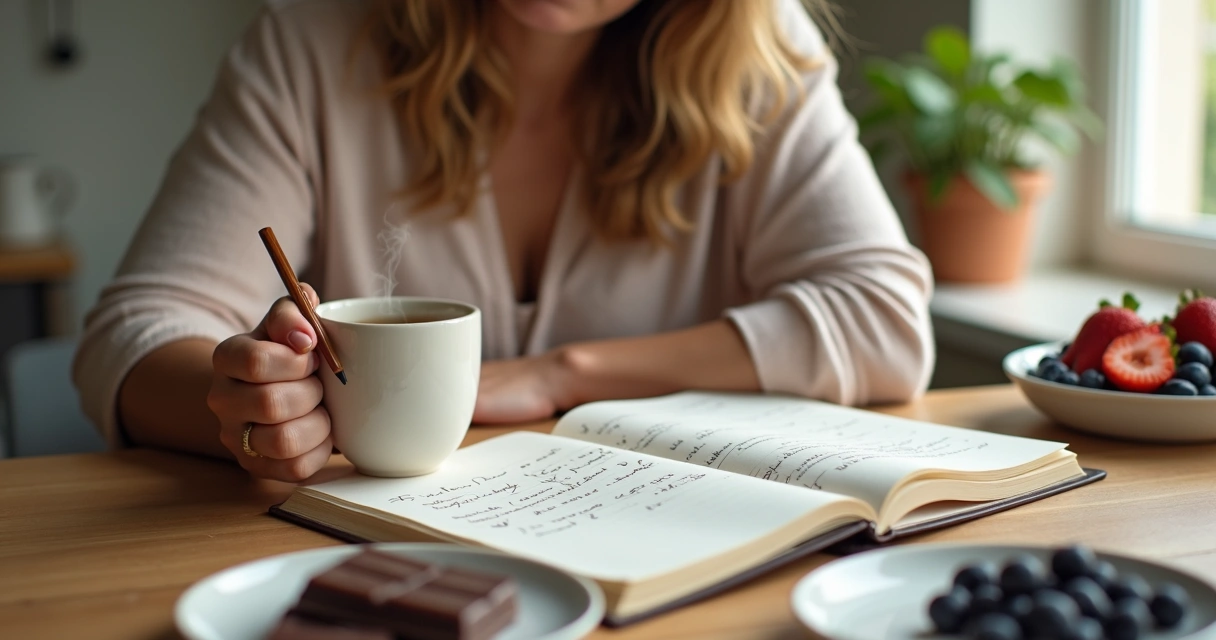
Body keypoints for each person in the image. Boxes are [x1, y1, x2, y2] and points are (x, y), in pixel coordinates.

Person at [73, 0, 935, 483]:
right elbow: (137, 336)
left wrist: (561, 375)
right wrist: (251, 409)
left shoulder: (757, 47)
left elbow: (885, 322)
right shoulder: (312, 42)